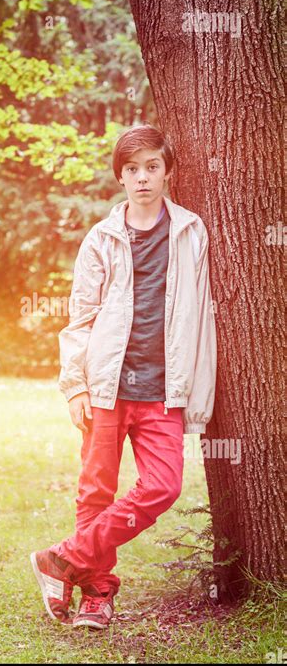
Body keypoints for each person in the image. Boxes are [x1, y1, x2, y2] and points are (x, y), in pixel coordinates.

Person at [30, 123, 217, 629]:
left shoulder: (190, 232)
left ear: (167, 171)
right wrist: (75, 386)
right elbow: (81, 319)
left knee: (163, 486)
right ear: (120, 178)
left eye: (152, 167)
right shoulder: (101, 239)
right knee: (95, 492)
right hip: (107, 386)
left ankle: (62, 559)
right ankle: (97, 596)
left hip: (163, 390)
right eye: (132, 170)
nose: (142, 178)